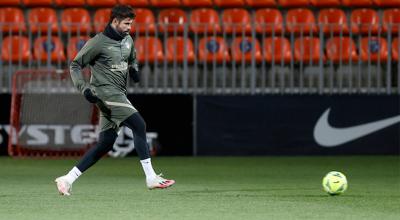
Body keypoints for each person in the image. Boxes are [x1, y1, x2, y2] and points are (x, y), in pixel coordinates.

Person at [55, 5, 175, 196]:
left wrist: (134, 68)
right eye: (126, 23)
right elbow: (75, 65)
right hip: (105, 93)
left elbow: (132, 57)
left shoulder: (128, 39)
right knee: (139, 125)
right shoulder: (98, 42)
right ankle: (151, 177)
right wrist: (84, 88)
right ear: (115, 21)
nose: (129, 27)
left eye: (131, 24)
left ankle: (67, 179)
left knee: (105, 143)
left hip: (118, 94)